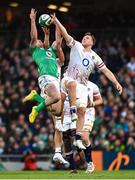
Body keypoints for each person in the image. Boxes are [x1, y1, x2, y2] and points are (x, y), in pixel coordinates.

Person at [51, 14, 122, 149]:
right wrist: (56, 22)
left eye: (88, 37)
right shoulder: (76, 45)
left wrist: (116, 83)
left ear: (92, 43)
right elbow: (65, 33)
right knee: (70, 89)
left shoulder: (95, 57)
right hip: (69, 79)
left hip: (82, 86)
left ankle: (78, 138)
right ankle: (69, 113)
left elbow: (106, 71)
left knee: (82, 111)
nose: (85, 38)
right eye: (84, 36)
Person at [23, 9, 64, 124]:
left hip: (55, 80)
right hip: (45, 77)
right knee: (56, 97)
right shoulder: (36, 51)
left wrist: (56, 23)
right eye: (37, 41)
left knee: (56, 111)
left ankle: (36, 97)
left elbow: (58, 42)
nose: (39, 41)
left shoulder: (51, 50)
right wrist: (32, 20)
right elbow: (34, 37)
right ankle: (36, 109)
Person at [62, 81, 103, 173]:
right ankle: (76, 166)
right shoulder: (72, 84)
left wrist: (92, 104)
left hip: (88, 113)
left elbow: (100, 100)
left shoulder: (93, 85)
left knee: (84, 137)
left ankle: (90, 163)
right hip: (76, 113)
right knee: (73, 140)